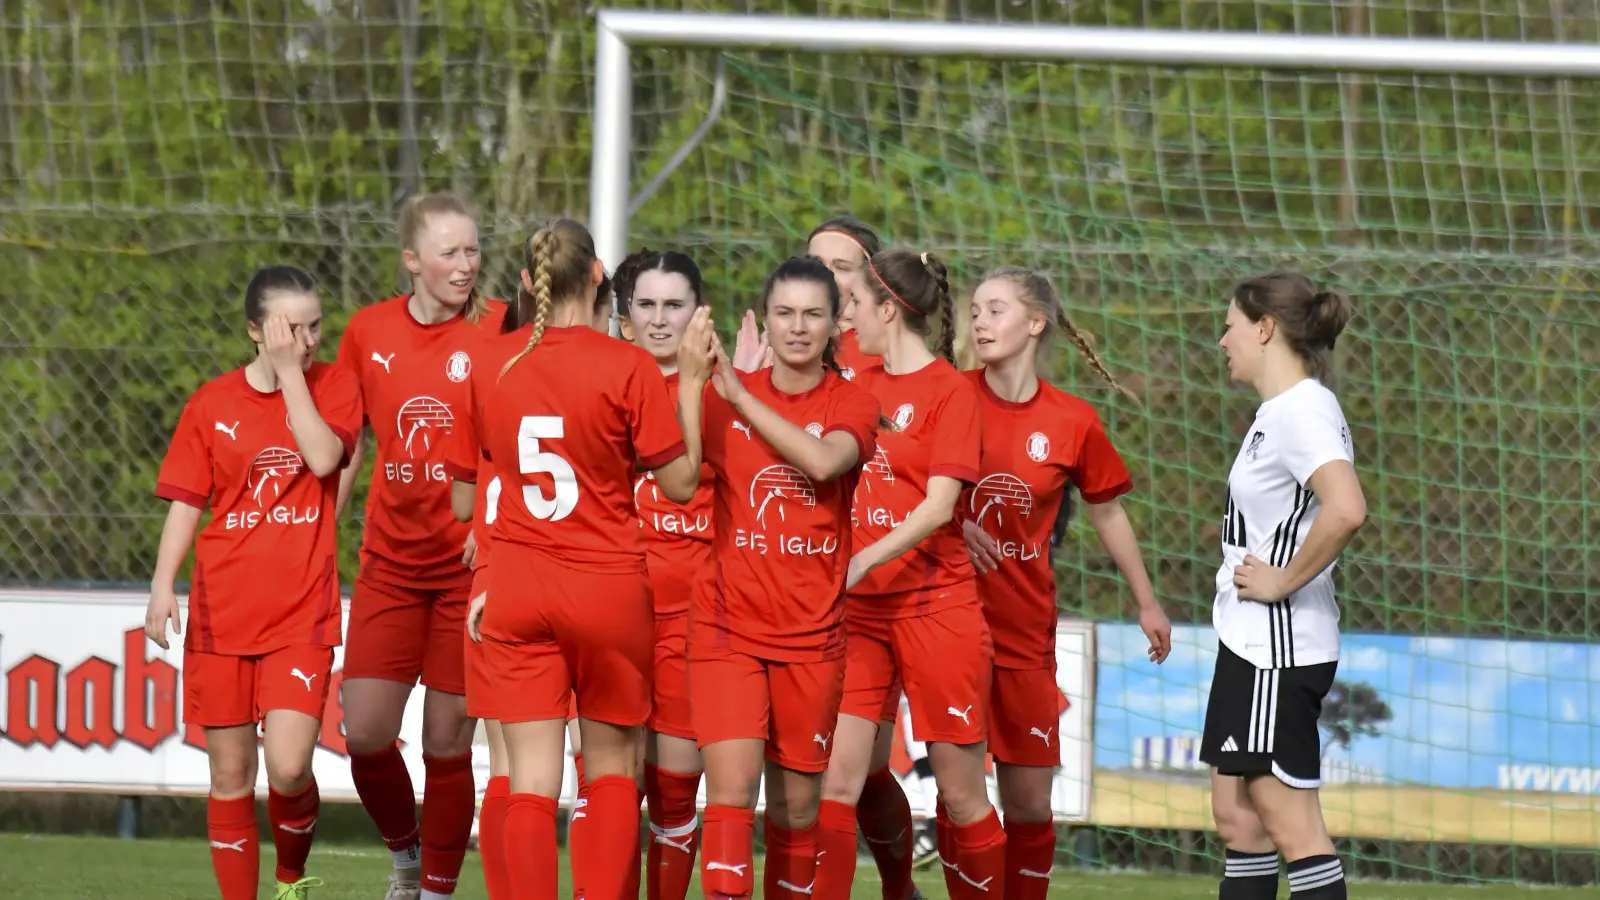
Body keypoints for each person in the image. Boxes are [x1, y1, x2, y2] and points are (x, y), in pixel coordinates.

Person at [466, 218, 703, 900]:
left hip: (516, 584)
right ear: (601, 279)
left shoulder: (494, 362)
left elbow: (481, 483)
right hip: (605, 586)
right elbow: (682, 484)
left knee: (531, 782)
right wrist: (688, 384)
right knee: (610, 773)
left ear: (526, 281)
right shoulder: (624, 365)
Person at [146, 265, 362, 900]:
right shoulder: (212, 404)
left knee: (290, 767)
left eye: (316, 324)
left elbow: (325, 458)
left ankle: (291, 879)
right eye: (291, 327)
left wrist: (292, 373)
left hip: (301, 613)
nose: (308, 339)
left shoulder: (337, 387)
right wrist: (163, 584)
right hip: (222, 613)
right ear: (254, 330)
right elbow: (186, 501)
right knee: (231, 772)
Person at [959, 267, 1173, 897]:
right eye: (974, 310)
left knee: (1027, 805)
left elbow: (1108, 510)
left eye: (995, 310)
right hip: (947, 625)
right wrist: (952, 524)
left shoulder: (1072, 421)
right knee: (960, 793)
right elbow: (901, 481)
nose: (979, 321)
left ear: (1035, 323)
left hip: (1025, 630)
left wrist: (1147, 601)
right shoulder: (948, 396)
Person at [676, 256, 882, 900]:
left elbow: (824, 462)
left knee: (797, 813)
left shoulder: (852, 401)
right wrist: (691, 385)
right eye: (785, 313)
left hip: (813, 635)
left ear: (835, 323)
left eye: (812, 314)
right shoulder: (719, 394)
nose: (798, 327)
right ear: (766, 319)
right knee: (731, 798)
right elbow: (679, 480)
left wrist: (740, 397)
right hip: (726, 628)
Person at [814, 248, 1003, 900]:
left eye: (857, 303)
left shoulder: (951, 391)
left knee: (960, 794)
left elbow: (941, 506)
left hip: (936, 608)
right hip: (860, 614)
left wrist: (864, 557)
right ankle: (898, 888)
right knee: (837, 783)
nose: (848, 315)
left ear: (889, 309)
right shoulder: (855, 379)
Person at [334, 193, 505, 900]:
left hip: (470, 570)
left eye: (472, 251)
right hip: (391, 567)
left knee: (446, 742)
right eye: (449, 253)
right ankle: (405, 852)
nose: (466, 265)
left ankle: (434, 888)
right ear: (412, 260)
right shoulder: (367, 331)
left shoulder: (502, 327)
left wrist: (495, 539)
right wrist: (321, 532)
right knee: (366, 733)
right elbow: (347, 444)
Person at [1201, 273, 1365, 900]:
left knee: (1292, 830)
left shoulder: (1304, 409)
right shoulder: (1280, 412)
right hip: (1249, 644)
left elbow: (1346, 508)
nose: (1222, 340)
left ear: (1265, 328)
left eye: (1231, 325)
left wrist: (1283, 582)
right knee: (1239, 821)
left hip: (1277, 648)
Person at [806, 217, 941, 885]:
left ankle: (896, 880)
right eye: (815, 264)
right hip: (803, 582)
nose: (826, 279)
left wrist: (957, 514)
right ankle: (900, 880)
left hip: (883, 591)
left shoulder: (885, 362)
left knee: (845, 766)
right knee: (834, 765)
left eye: (841, 268)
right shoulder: (785, 351)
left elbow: (934, 468)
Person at [612, 249, 715, 900]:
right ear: (624, 320)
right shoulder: (598, 385)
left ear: (699, 313)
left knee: (676, 786)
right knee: (610, 780)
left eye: (673, 305)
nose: (659, 319)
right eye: (645, 306)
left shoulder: (730, 393)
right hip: (608, 609)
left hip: (697, 616)